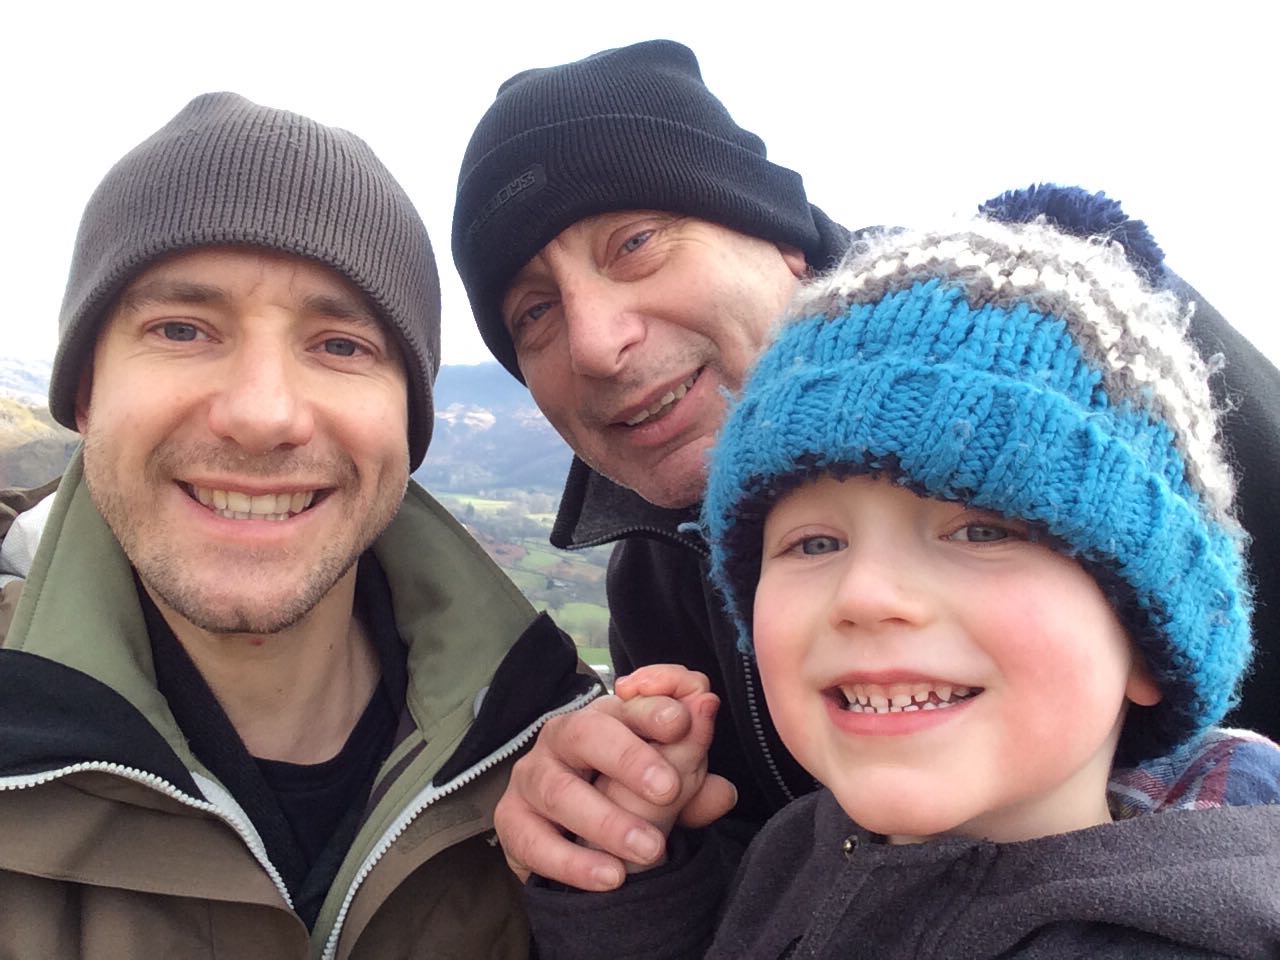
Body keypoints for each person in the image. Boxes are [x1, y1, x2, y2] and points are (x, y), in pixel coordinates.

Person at [450, 38, 1280, 890]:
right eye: (534, 314)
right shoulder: (653, 585)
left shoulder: (1089, 364)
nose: (594, 342)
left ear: (784, 243)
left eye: (635, 243)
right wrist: (626, 844)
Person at [521, 211, 1280, 958]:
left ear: (1148, 641)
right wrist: (627, 878)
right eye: (814, 543)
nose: (865, 596)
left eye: (981, 532)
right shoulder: (797, 853)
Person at [0, 92, 598, 959]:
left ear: (408, 426)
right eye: (182, 328)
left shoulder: (562, 752)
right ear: (86, 396)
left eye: (340, 345)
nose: (263, 414)